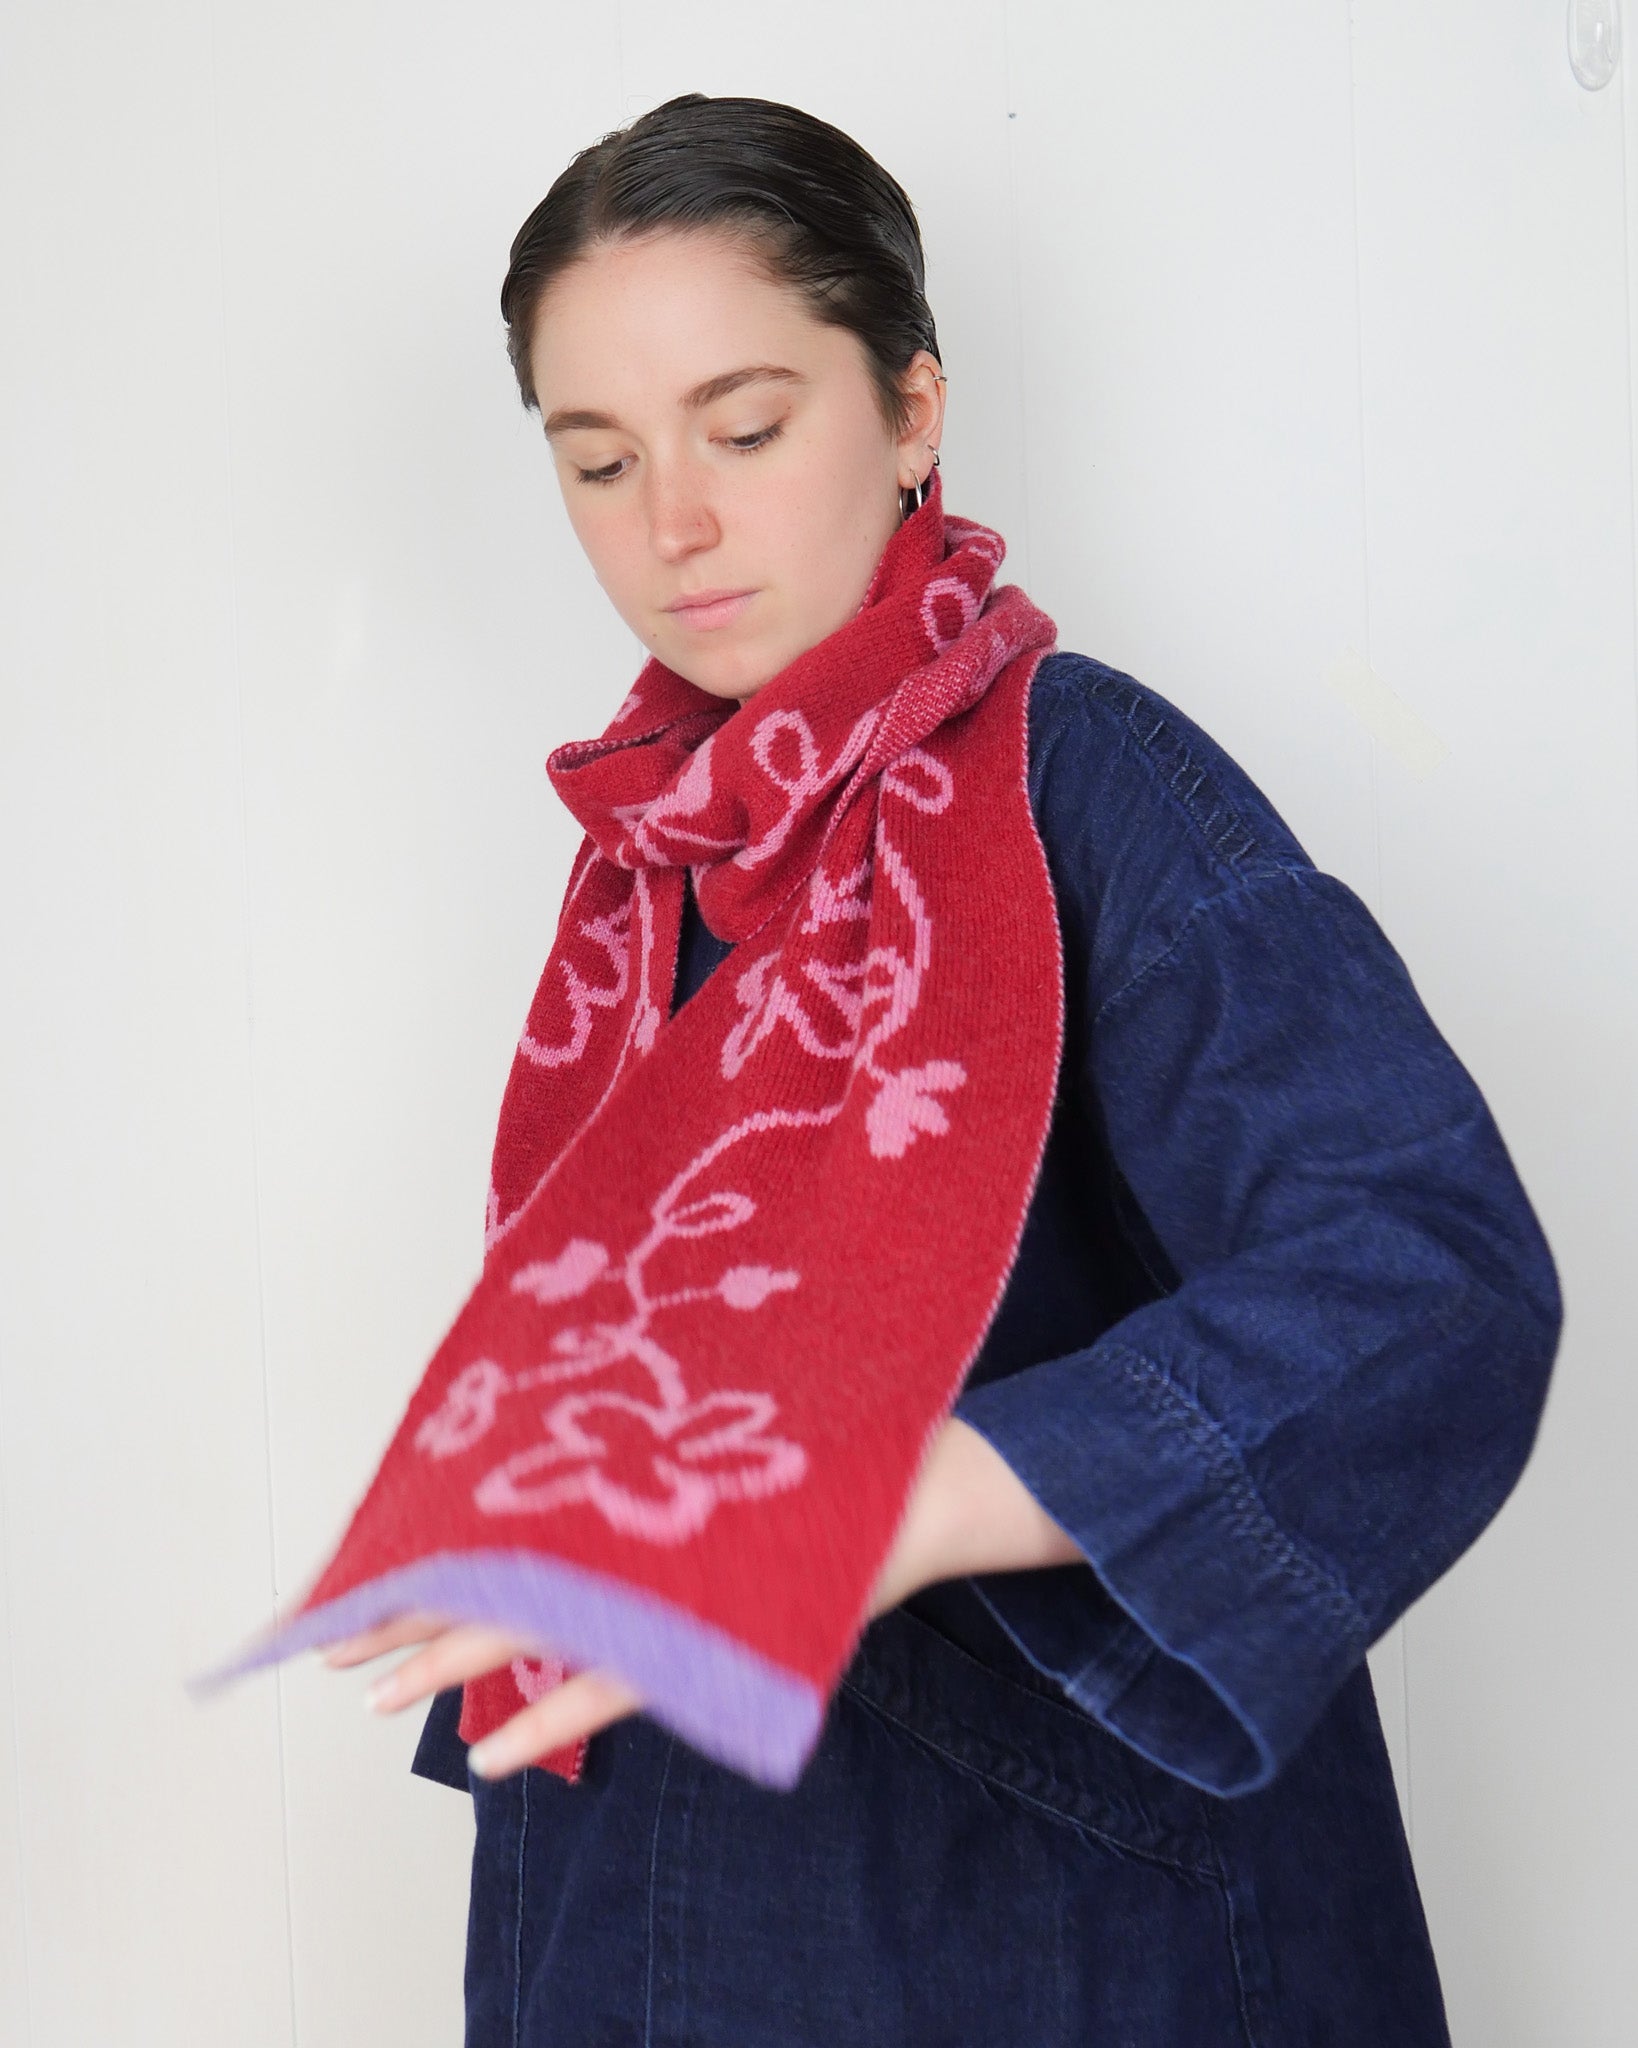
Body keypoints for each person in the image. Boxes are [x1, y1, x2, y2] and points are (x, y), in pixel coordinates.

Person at [318, 94, 1562, 2045]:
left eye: (745, 426)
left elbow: (1427, 1277)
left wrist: (885, 1495)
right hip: (639, 1913)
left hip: (1032, 1938)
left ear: (911, 409)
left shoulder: (1085, 786)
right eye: (596, 460)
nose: (675, 526)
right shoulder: (652, 874)